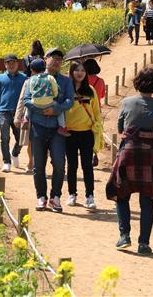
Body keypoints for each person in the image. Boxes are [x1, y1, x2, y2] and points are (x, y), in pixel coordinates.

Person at [106, 68, 153, 256]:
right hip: (150, 154)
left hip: (128, 153)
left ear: (137, 83)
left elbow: (120, 127)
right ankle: (144, 243)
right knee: (147, 198)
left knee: (121, 194)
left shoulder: (127, 102)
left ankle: (124, 236)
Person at [23, 47, 74, 212]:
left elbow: (70, 101)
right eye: (54, 58)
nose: (57, 61)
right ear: (46, 59)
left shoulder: (66, 81)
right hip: (38, 126)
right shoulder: (34, 78)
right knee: (38, 165)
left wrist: (56, 109)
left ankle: (55, 196)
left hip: (56, 129)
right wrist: (42, 109)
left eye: (60, 59)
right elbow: (27, 99)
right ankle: (41, 197)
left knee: (59, 163)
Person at [65, 61, 102, 209]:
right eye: (76, 70)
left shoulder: (91, 90)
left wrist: (98, 128)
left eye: (82, 70)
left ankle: (90, 196)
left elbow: (96, 112)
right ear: (71, 72)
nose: (80, 73)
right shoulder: (67, 89)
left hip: (87, 133)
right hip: (70, 133)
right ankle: (72, 194)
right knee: (72, 165)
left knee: (87, 166)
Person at [0, 54, 28, 173]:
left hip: (18, 113)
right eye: (9, 63)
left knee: (20, 138)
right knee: (4, 138)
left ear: (17, 64)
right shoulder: (0, 78)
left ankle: (14, 153)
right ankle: (6, 162)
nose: (11, 65)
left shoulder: (24, 78)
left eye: (13, 62)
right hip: (3, 112)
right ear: (5, 65)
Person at [26, 58, 70, 137]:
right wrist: (54, 96)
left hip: (36, 102)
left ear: (32, 70)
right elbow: (55, 90)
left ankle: (26, 118)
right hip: (49, 102)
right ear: (45, 66)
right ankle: (62, 126)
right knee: (59, 108)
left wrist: (36, 96)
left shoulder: (32, 79)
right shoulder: (50, 77)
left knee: (28, 105)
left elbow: (30, 92)